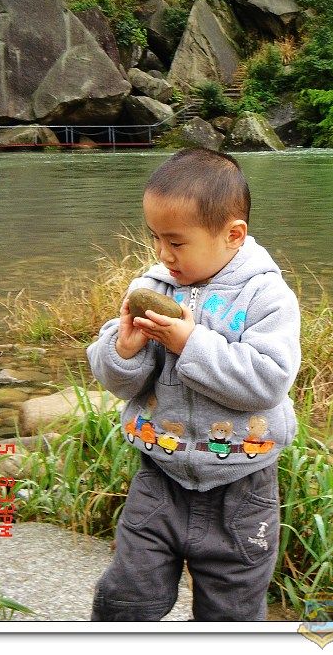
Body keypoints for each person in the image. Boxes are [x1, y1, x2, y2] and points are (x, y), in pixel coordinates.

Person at [87, 148, 301, 622]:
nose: (163, 254)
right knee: (124, 598)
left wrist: (190, 343)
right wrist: (124, 351)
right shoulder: (153, 288)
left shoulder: (266, 295)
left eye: (176, 242)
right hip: (158, 476)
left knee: (231, 613)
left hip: (242, 486)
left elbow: (268, 380)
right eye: (155, 238)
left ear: (233, 235)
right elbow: (119, 381)